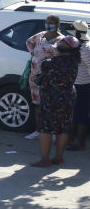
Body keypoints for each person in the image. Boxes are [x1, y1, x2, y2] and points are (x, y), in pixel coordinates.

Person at [32, 36, 81, 167]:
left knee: (45, 127)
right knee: (63, 127)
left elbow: (42, 65)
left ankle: (45, 159)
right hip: (68, 96)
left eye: (63, 42)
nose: (60, 43)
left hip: (51, 97)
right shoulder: (74, 61)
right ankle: (59, 157)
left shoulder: (52, 62)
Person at [26, 15, 65, 140]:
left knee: (52, 106)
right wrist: (33, 53)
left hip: (51, 78)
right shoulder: (40, 35)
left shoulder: (61, 40)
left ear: (57, 25)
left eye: (51, 23)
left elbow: (61, 55)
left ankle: (53, 132)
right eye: (47, 23)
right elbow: (29, 42)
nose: (48, 25)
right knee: (38, 105)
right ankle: (39, 130)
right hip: (35, 76)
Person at [68, 21, 90, 151]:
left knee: (81, 115)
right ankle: (70, 140)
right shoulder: (77, 46)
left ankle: (80, 143)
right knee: (74, 114)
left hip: (83, 86)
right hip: (75, 85)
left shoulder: (85, 49)